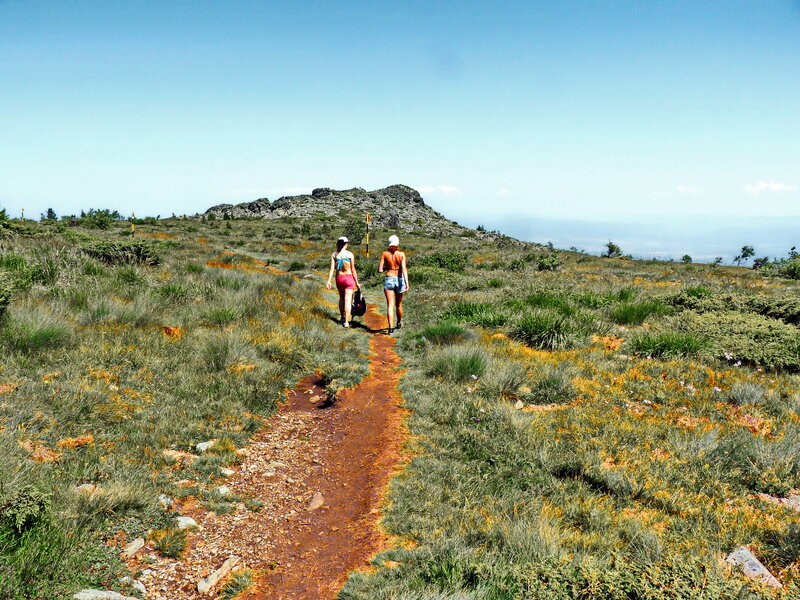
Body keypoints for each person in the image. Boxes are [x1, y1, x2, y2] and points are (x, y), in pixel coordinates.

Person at [326, 236, 360, 328]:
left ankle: (342, 317)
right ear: (346, 244)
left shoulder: (334, 254)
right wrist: (356, 281)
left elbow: (332, 269)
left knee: (341, 298)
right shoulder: (350, 254)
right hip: (349, 278)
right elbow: (353, 269)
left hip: (339, 278)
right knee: (348, 299)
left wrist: (329, 281)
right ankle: (346, 322)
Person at [378, 234, 409, 334]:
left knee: (390, 305)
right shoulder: (401, 254)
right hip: (399, 279)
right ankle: (399, 323)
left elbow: (380, 270)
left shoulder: (385, 254)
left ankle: (390, 327)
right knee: (398, 305)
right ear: (397, 244)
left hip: (389, 279)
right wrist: (407, 283)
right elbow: (404, 269)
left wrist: (387, 268)